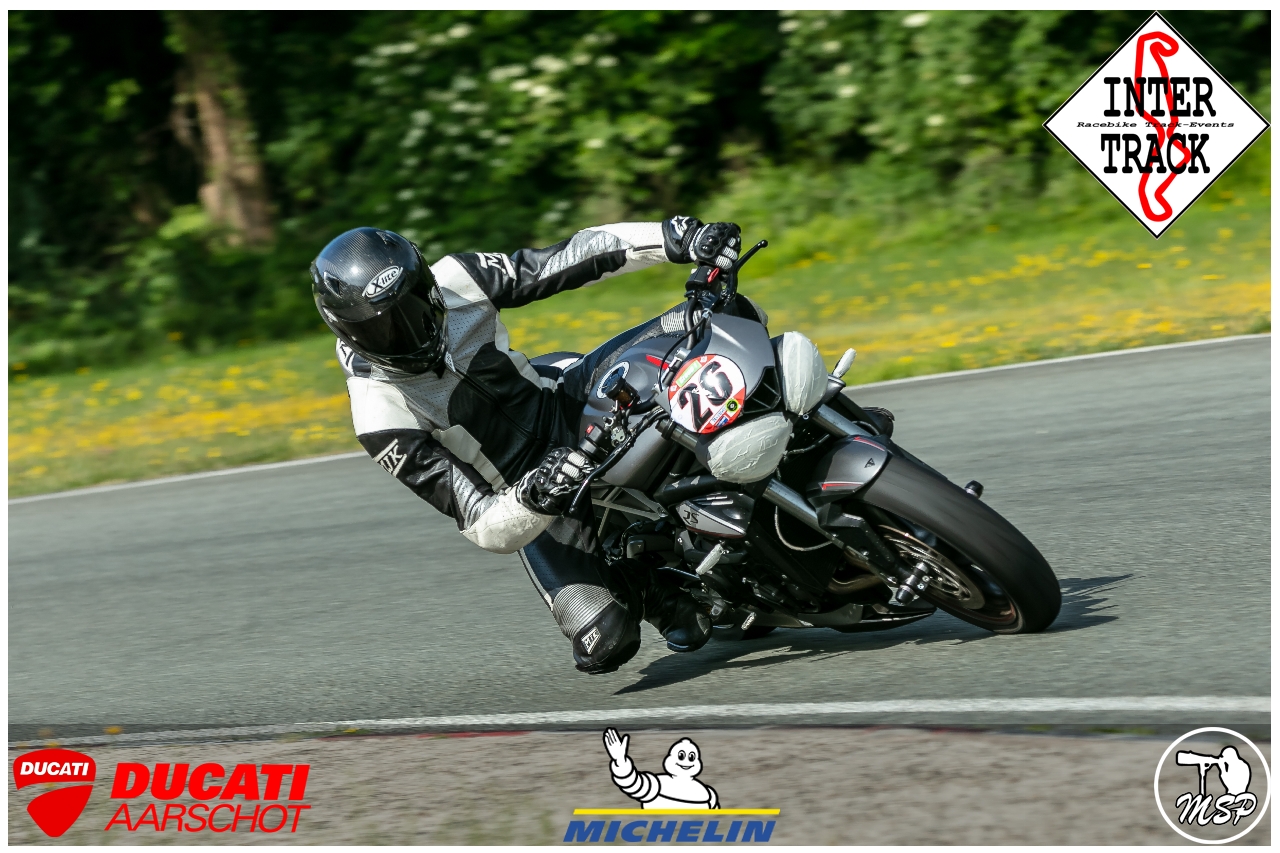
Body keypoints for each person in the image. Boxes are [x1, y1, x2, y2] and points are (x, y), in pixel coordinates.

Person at [311, 217, 760, 674]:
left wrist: (677, 237)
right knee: (605, 639)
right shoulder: (378, 413)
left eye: (415, 306)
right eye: (383, 331)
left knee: (716, 318)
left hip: (564, 400)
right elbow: (480, 522)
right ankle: (644, 585)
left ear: (429, 286)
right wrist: (534, 495)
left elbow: (571, 257)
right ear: (347, 333)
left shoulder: (457, 279)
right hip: (527, 487)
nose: (411, 330)